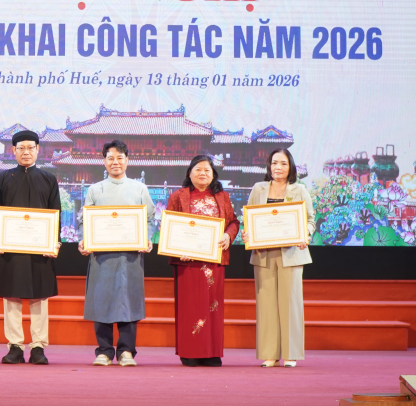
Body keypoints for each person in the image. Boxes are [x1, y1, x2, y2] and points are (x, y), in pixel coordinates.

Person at [0, 129, 61, 365]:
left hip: (40, 248)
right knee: (12, 297)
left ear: (38, 149)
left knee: (40, 296)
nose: (26, 152)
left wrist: (54, 242)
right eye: (21, 148)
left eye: (30, 147)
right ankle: (15, 346)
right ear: (14, 150)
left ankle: (38, 346)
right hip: (10, 248)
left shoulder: (48, 179)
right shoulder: (3, 178)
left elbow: (55, 212)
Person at [78, 140, 155, 367]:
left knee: (128, 301)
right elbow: (84, 220)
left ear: (127, 160)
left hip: (130, 256)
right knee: (101, 300)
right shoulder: (95, 189)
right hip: (101, 256)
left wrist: (147, 238)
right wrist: (84, 240)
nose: (115, 162)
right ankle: (104, 351)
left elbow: (149, 218)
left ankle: (126, 351)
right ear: (104, 161)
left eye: (120, 158)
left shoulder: (139, 189)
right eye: (110, 158)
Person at [166, 155, 239, 367]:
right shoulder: (178, 196)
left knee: (212, 307)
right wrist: (178, 249)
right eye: (198, 169)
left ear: (213, 174)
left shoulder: (222, 196)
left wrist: (228, 236)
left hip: (213, 261)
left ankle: (211, 352)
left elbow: (234, 222)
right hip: (188, 262)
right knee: (190, 307)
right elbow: (169, 226)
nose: (202, 173)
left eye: (207, 170)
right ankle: (190, 351)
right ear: (189, 173)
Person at [249, 148, 316, 368]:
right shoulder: (258, 188)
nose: (278, 167)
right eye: (274, 163)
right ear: (269, 166)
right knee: (266, 304)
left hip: (292, 254)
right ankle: (270, 354)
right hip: (263, 254)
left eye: (283, 163)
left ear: (291, 167)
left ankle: (291, 354)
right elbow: (250, 218)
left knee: (290, 303)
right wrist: (248, 233)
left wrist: (305, 234)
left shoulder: (300, 190)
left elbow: (310, 220)